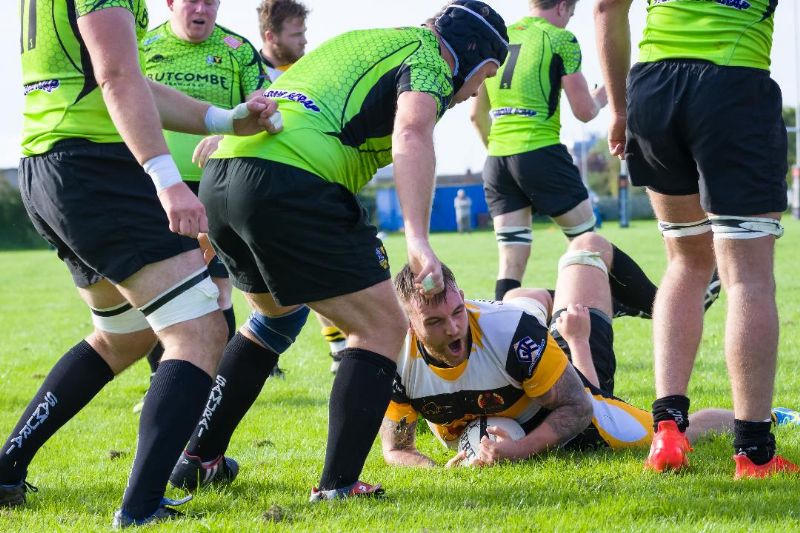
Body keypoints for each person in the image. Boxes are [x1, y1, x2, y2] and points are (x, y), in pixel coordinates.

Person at [167, 0, 509, 500]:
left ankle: (198, 458)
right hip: (292, 180)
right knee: (382, 326)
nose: (477, 89)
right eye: (485, 74)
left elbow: (279, 92)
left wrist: (228, 155)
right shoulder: (433, 59)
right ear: (472, 53)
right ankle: (338, 486)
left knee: (276, 317)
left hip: (224, 174)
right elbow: (411, 130)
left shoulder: (361, 39)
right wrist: (417, 239)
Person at [2, 0, 279, 526]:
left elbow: (123, 80)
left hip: (49, 165)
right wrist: (168, 180)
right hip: (92, 167)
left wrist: (223, 119)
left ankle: (6, 468)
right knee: (198, 328)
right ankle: (142, 506)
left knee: (123, 335)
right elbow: (116, 77)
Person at [594, 0, 797, 477]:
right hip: (733, 86)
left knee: (685, 261)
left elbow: (606, 8)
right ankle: (754, 453)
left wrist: (621, 111)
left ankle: (667, 434)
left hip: (654, 89)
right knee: (747, 277)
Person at [380, 237, 786, 467]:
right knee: (528, 296)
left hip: (573, 398)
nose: (453, 329)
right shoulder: (399, 362)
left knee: (681, 431)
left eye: (456, 313)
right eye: (434, 323)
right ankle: (578, 304)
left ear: (464, 299)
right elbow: (397, 448)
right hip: (537, 360)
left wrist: (516, 450)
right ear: (410, 325)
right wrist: (439, 469)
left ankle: (766, 414)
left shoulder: (509, 333)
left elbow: (579, 409)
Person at [469, 0, 660, 323]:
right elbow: (584, 111)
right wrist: (605, 93)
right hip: (541, 152)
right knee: (589, 243)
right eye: (571, 15)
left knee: (512, 259)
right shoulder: (560, 40)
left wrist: (502, 150)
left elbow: (476, 115)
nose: (569, 22)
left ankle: (502, 337)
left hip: (497, 160)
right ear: (561, 7)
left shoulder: (499, 36)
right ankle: (657, 305)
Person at [130, 0, 269, 411]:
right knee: (165, 288)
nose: (202, 8)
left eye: (212, 0)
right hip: (158, 185)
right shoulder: (141, 44)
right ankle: (163, 381)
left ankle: (211, 383)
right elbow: (119, 103)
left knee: (218, 288)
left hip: (219, 184)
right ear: (171, 3)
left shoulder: (239, 49)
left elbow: (264, 111)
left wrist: (227, 139)